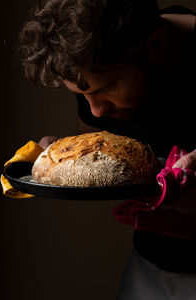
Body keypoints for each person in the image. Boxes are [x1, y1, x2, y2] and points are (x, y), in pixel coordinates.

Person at [19, 0, 196, 299]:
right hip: (152, 264)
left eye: (104, 89)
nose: (96, 111)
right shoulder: (93, 60)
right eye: (83, 94)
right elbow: (96, 135)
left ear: (155, 46)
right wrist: (66, 154)